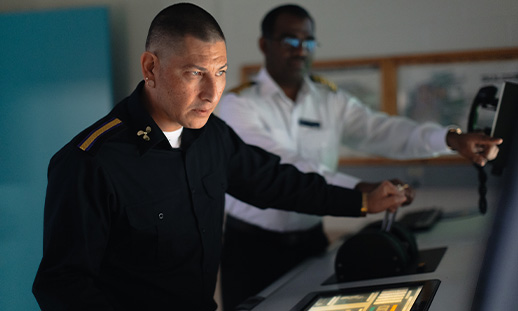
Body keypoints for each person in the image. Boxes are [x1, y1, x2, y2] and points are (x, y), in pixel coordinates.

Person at [31, 3, 409, 311]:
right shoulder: (91, 162)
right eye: (196, 72)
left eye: (221, 72)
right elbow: (63, 286)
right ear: (151, 68)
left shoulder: (212, 137)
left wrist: (362, 200)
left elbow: (276, 183)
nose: (212, 93)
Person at [218, 4, 502, 310]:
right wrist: (362, 192)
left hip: (311, 242)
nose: (301, 50)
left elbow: (381, 130)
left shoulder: (328, 98)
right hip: (251, 249)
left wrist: (450, 139)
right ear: (265, 44)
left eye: (309, 41)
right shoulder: (238, 104)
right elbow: (284, 167)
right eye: (290, 40)